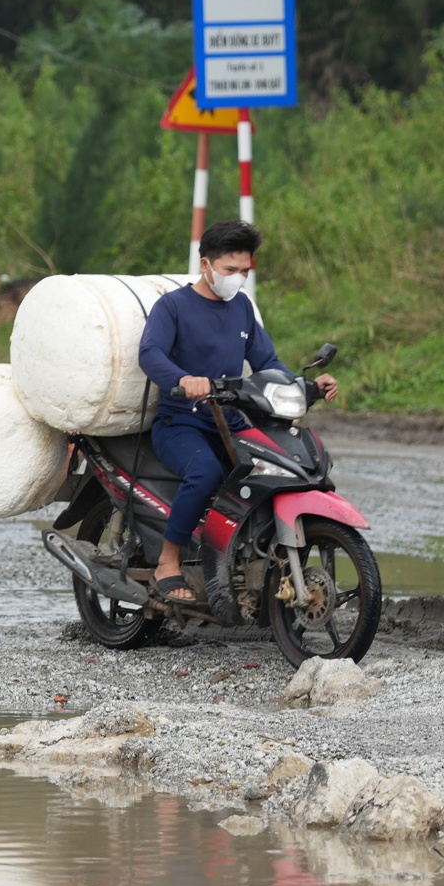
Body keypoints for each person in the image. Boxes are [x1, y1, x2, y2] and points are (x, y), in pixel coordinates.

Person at [134, 221, 335, 606]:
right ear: (206, 264)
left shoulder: (242, 308)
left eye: (244, 271)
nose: (238, 279)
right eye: (230, 270)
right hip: (182, 420)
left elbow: (267, 361)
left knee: (281, 465)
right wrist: (183, 379)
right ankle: (168, 559)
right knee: (206, 472)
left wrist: (305, 385)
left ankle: (257, 557)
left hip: (231, 418)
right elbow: (150, 354)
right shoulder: (173, 306)